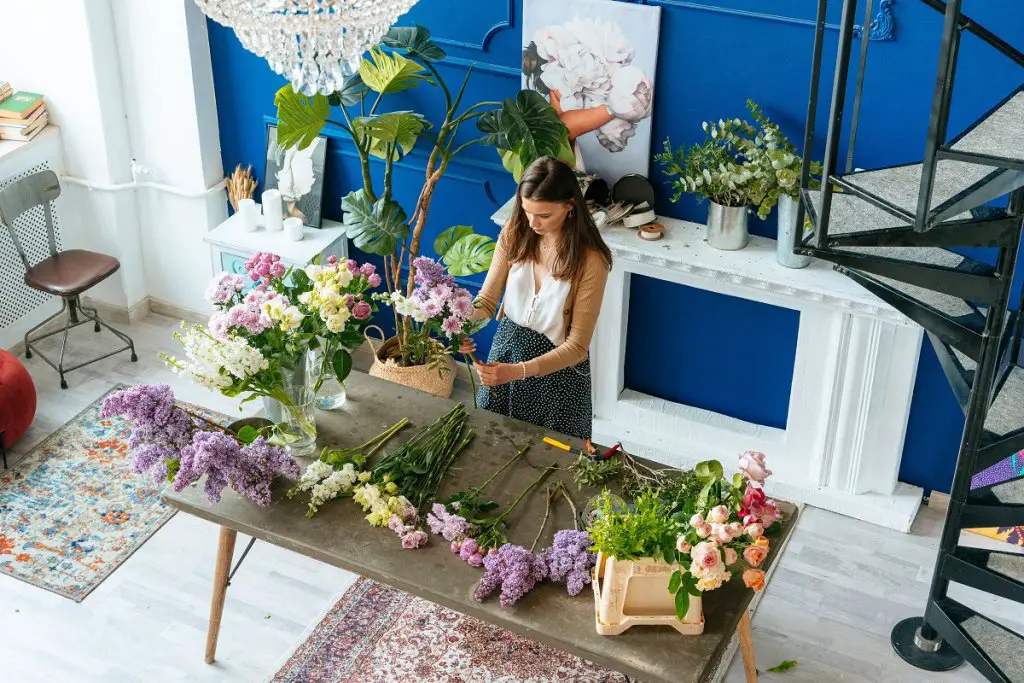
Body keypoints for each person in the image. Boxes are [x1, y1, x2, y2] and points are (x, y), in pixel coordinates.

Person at [461, 156, 612, 440]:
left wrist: (518, 372)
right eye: (527, 211)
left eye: (544, 215)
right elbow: (487, 301)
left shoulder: (592, 260)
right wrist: (457, 323)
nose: (533, 222)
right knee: (490, 444)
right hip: (505, 354)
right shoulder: (515, 232)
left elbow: (577, 347)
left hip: (556, 373)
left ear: (570, 206)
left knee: (551, 461)